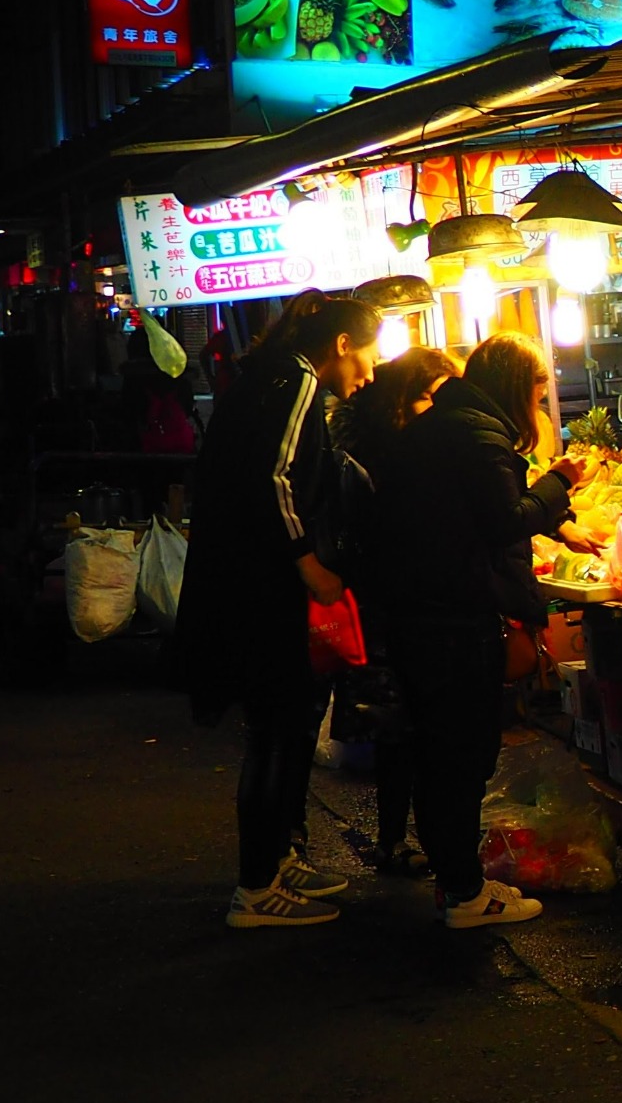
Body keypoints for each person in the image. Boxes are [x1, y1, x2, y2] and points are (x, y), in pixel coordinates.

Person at [175, 290, 380, 929]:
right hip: (259, 588)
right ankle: (257, 888)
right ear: (341, 344)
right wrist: (307, 561)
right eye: (366, 358)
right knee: (274, 730)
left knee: (282, 728)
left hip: (241, 581)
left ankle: (279, 860)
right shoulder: (297, 378)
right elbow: (275, 477)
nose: (368, 375)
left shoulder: (270, 375)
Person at [368, 335, 576, 928]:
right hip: (453, 621)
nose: (541, 405)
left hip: (425, 614)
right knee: (460, 755)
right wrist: (558, 483)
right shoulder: (478, 434)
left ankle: (460, 883)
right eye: (539, 393)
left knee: (445, 754)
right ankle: (463, 893)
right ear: (517, 389)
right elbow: (502, 522)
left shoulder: (448, 425)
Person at [340, 347, 462, 880]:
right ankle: (399, 840)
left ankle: (416, 839)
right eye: (427, 398)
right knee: (398, 727)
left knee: (413, 728)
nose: (436, 409)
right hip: (387, 606)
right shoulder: (381, 456)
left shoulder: (401, 448)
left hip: (402, 601)